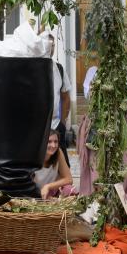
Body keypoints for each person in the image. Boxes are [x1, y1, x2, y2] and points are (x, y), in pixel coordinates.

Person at [46, 34, 72, 162]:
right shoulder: (30, 68)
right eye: (47, 45)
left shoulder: (59, 69)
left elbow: (66, 97)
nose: (50, 48)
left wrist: (62, 122)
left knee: (63, 165)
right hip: (37, 129)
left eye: (53, 45)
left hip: (56, 125)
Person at [34, 129, 74, 199]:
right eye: (49, 142)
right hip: (34, 193)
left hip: (52, 191)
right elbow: (29, 185)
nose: (53, 145)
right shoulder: (34, 156)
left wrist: (48, 186)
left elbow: (69, 179)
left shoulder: (58, 152)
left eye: (56, 142)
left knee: (69, 189)